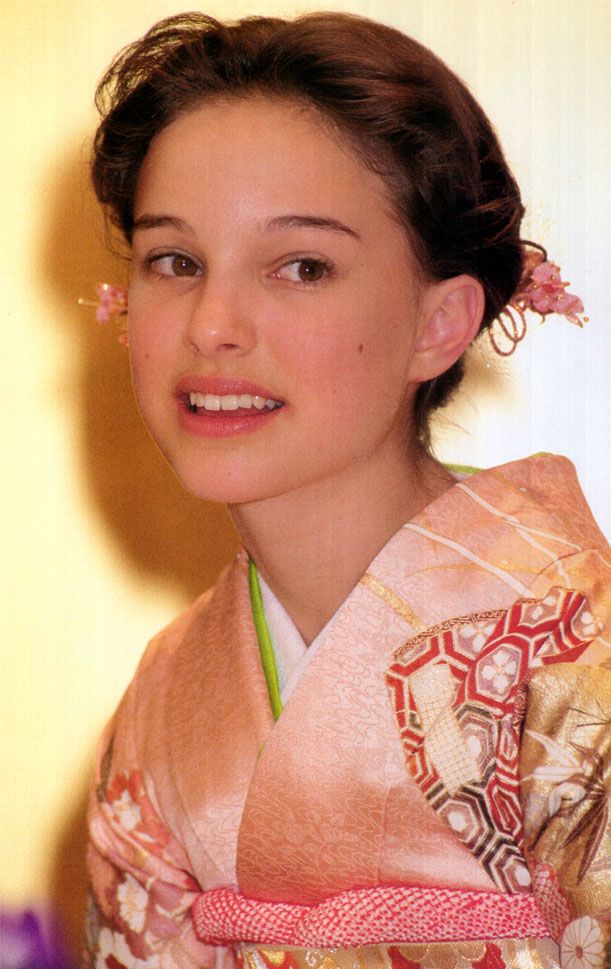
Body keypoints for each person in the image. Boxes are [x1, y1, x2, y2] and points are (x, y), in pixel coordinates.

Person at [84, 11, 610, 969]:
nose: (212, 324)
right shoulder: (162, 699)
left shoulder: (579, 648)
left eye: (301, 266)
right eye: (175, 260)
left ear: (438, 322)